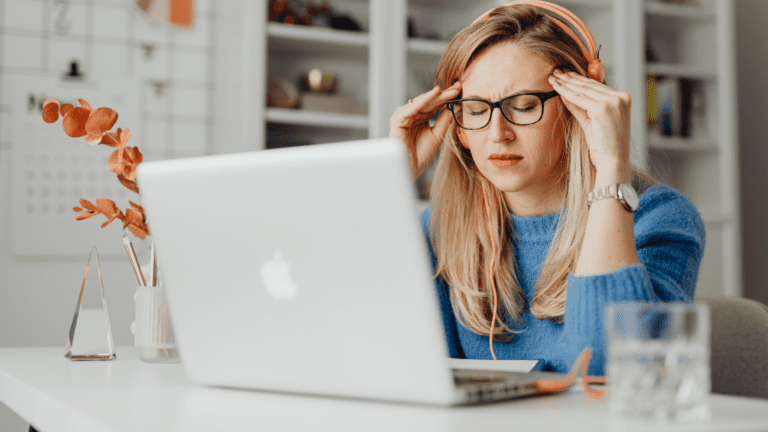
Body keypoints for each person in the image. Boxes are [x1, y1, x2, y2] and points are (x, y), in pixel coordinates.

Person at [389, 1, 705, 376]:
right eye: (475, 110)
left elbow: (608, 372)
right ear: (457, 126)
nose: (497, 134)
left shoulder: (660, 219)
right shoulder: (439, 229)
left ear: (579, 107)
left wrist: (610, 170)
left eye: (523, 106)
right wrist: (390, 181)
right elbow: (389, 359)